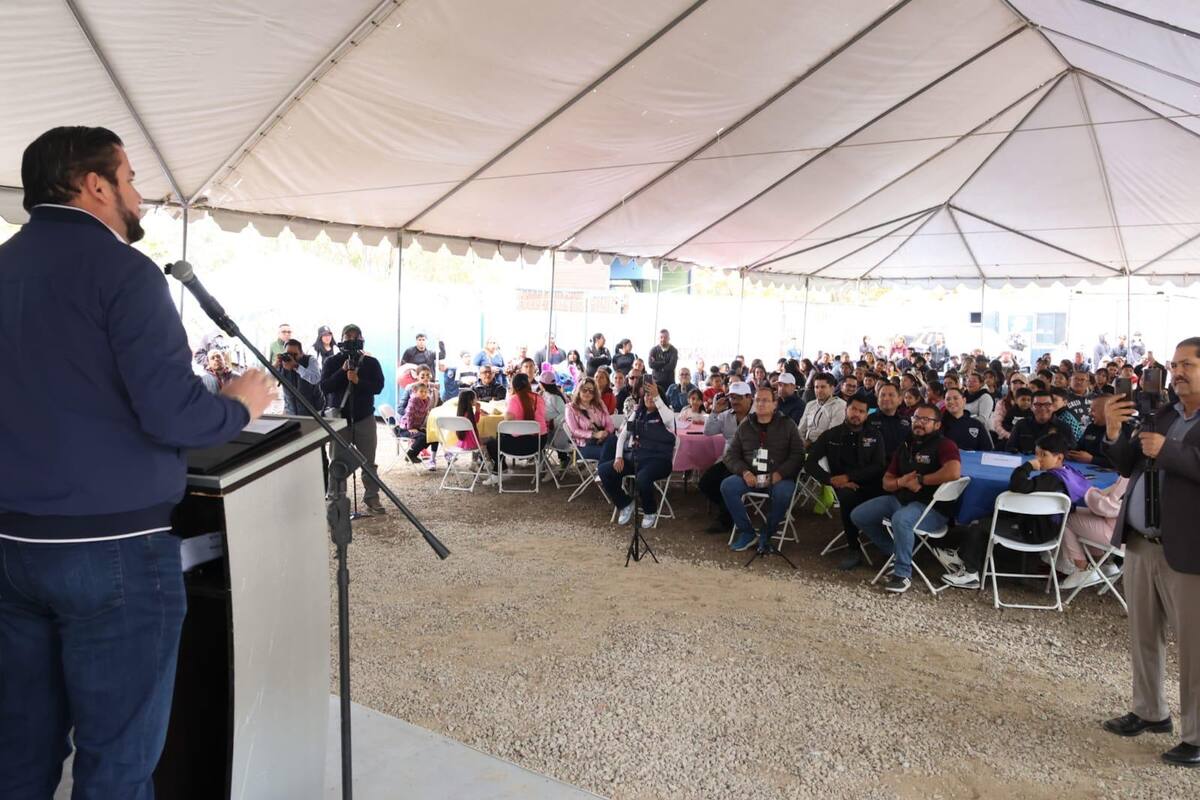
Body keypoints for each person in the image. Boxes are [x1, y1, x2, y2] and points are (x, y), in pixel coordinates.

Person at [0, 125, 274, 799]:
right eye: (129, 179)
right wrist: (239, 405)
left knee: (20, 751)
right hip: (114, 551)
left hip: (10, 549)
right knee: (117, 761)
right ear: (93, 185)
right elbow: (174, 414)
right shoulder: (125, 273)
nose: (140, 195)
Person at [1100, 339, 1200, 767]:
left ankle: (1197, 736)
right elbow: (1128, 464)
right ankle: (1150, 711)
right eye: (1174, 364)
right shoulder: (1161, 413)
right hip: (1142, 544)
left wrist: (1170, 450)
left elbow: (1174, 458)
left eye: (1188, 365)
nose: (1176, 372)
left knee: (1195, 649)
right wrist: (1112, 430)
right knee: (1143, 635)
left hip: (1189, 550)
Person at [941, 432, 1092, 590]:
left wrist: (1026, 467)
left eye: (1044, 455)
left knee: (979, 525)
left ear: (1059, 457)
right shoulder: (1069, 474)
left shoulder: (1050, 480)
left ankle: (970, 574)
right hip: (1049, 529)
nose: (1038, 458)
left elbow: (1018, 485)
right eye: (1037, 453)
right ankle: (962, 556)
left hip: (1032, 531)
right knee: (991, 516)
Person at [850, 403, 963, 594]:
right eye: (916, 418)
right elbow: (887, 482)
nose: (919, 423)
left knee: (901, 519)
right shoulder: (905, 445)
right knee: (859, 515)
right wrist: (901, 482)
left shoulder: (945, 445)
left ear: (937, 425)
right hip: (901, 499)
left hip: (931, 508)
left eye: (925, 420)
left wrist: (922, 479)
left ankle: (902, 574)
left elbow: (954, 472)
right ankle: (897, 553)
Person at [721, 385, 806, 553]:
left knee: (783, 493)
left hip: (779, 477)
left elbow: (798, 454)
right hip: (752, 475)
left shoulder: (787, 425)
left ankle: (767, 535)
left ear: (775, 404)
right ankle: (747, 532)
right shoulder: (746, 425)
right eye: (758, 400)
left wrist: (780, 473)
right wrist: (744, 472)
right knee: (728, 486)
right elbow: (730, 455)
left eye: (766, 400)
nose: (761, 404)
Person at [805, 396, 887, 569]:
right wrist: (830, 480)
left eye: (861, 411)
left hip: (871, 483)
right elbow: (810, 463)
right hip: (843, 487)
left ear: (866, 415)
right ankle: (853, 548)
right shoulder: (830, 435)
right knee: (849, 498)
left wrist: (849, 477)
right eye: (853, 409)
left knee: (893, 495)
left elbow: (879, 466)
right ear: (846, 409)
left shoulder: (874, 435)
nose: (856, 414)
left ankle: (888, 545)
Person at [320, 324, 387, 513]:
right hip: (340, 419)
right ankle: (336, 499)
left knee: (369, 462)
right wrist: (342, 372)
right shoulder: (332, 362)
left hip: (364, 416)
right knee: (338, 462)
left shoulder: (371, 362)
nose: (351, 340)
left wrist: (359, 381)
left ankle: (372, 498)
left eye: (355, 336)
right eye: (347, 336)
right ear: (340, 339)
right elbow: (325, 387)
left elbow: (378, 387)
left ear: (361, 339)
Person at [598, 376, 677, 528]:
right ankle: (625, 503)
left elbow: (669, 420)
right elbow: (623, 435)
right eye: (646, 395)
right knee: (604, 470)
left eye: (653, 395)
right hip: (635, 457)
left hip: (658, 460)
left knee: (642, 478)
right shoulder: (638, 413)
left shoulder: (666, 414)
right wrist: (618, 457)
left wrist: (656, 396)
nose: (649, 398)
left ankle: (650, 510)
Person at [699, 382, 754, 532]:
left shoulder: (758, 415)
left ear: (749, 397)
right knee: (705, 483)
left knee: (726, 480)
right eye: (732, 398)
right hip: (728, 459)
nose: (734, 401)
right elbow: (708, 432)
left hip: (749, 461)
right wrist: (715, 411)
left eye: (738, 398)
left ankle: (725, 519)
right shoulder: (725, 415)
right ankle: (731, 507)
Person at [1056, 476, 1129, 588]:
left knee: (1067, 517)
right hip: (1132, 535)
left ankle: (1082, 568)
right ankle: (1103, 564)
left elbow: (1106, 507)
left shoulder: (1133, 476)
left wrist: (1086, 490)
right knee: (1082, 514)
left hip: (1120, 537)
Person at [482, 373, 547, 483]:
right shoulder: (539, 398)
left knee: (492, 442)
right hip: (539, 443)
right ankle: (500, 471)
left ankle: (500, 471)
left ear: (514, 386)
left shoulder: (514, 399)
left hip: (516, 445)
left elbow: (507, 420)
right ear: (528, 384)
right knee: (500, 436)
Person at [1007, 390, 1073, 454]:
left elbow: (1070, 452)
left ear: (1053, 406)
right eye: (1038, 404)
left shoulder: (1064, 428)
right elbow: (1010, 448)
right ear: (1031, 407)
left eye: (1047, 404)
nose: (1042, 408)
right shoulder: (1021, 425)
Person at [565, 377, 615, 461]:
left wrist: (605, 432)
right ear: (579, 390)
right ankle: (603, 472)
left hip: (603, 440)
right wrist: (594, 435)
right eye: (584, 390)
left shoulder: (599, 404)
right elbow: (574, 431)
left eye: (591, 391)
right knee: (610, 453)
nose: (587, 393)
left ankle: (604, 472)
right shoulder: (570, 408)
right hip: (584, 445)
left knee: (614, 442)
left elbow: (609, 423)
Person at [797, 372, 847, 446]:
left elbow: (832, 434)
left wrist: (809, 444)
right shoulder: (810, 405)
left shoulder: (840, 406)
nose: (819, 390)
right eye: (816, 387)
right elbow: (801, 429)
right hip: (805, 445)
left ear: (832, 389)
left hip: (825, 448)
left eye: (823, 387)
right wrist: (799, 443)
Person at [277, 338, 324, 415]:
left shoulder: (310, 360)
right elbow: (268, 381)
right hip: (291, 412)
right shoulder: (283, 363)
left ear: (301, 353)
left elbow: (315, 379)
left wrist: (296, 366)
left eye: (294, 354)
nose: (291, 357)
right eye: (288, 354)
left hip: (314, 412)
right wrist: (276, 365)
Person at [1070, 395, 1120, 467]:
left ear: (1106, 411)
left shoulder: (1125, 431)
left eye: (1093, 410)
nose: (1090, 414)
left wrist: (1093, 459)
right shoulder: (1091, 427)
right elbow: (1078, 448)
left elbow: (1124, 463)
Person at [399, 381, 440, 469]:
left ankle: (428, 458)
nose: (423, 394)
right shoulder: (413, 400)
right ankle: (410, 455)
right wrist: (410, 428)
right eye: (421, 391)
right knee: (422, 437)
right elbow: (409, 414)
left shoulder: (427, 400)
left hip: (416, 427)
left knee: (432, 436)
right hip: (405, 427)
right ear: (415, 392)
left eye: (425, 392)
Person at [867, 383, 911, 461]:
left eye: (891, 395)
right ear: (877, 400)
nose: (886, 398)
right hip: (873, 466)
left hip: (898, 468)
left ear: (900, 400)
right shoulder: (868, 420)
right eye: (882, 395)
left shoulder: (907, 422)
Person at [942, 387, 994, 452]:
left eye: (955, 398)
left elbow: (987, 449)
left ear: (964, 401)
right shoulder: (939, 424)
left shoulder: (976, 424)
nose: (951, 402)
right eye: (948, 399)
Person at [538, 369, 571, 452]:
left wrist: (553, 422)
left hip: (557, 431)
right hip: (547, 427)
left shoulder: (555, 397)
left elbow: (565, 414)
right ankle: (542, 459)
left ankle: (564, 459)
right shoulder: (544, 394)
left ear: (542, 384)